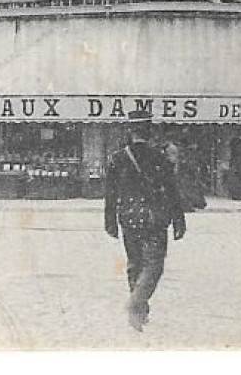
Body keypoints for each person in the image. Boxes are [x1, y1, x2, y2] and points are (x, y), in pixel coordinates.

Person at [104, 109, 187, 331]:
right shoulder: (159, 157)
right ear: (149, 130)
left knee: (135, 264)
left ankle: (138, 313)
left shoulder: (117, 159)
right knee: (154, 266)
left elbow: (111, 193)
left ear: (130, 131)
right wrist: (179, 219)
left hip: (129, 218)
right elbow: (172, 190)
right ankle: (135, 304)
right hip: (154, 218)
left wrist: (110, 220)